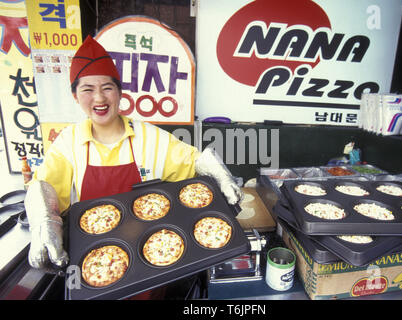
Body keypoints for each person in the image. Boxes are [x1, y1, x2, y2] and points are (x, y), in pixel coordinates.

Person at [24, 35, 243, 275]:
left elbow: (193, 161)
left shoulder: (150, 136)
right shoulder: (68, 142)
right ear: (75, 96)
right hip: (96, 262)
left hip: (154, 253)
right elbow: (43, 185)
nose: (99, 98)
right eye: (88, 89)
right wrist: (44, 220)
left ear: (120, 93)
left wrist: (219, 173)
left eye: (107, 88)